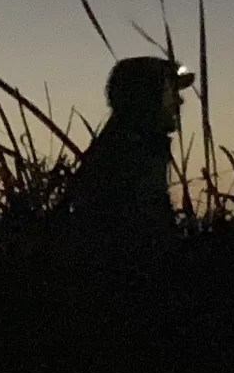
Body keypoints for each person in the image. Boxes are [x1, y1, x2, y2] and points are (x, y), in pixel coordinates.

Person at [63, 55, 192, 257]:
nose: (179, 100)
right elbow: (145, 243)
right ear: (146, 97)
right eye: (170, 90)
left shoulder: (119, 148)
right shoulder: (127, 159)